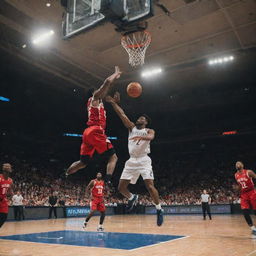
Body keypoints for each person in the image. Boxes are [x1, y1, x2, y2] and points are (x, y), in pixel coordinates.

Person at [106, 92, 164, 226]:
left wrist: (141, 137)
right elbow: (122, 115)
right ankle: (133, 197)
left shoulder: (149, 130)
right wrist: (114, 103)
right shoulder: (131, 128)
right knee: (121, 188)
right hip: (131, 161)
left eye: (142, 118)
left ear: (146, 122)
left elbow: (151, 138)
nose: (140, 119)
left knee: (150, 186)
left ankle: (159, 209)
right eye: (139, 118)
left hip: (144, 160)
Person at [65, 66, 121, 184]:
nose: (102, 93)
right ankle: (108, 180)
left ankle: (65, 173)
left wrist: (115, 101)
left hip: (88, 133)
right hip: (96, 130)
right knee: (113, 157)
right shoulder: (95, 98)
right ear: (94, 92)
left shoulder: (97, 103)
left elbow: (107, 93)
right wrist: (115, 74)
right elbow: (107, 83)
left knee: (83, 163)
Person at [234, 161, 256, 234]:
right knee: (245, 211)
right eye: (236, 164)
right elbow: (240, 185)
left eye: (239, 163)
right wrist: (237, 189)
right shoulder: (236, 175)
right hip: (243, 194)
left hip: (252, 192)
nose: (237, 164)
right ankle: (253, 228)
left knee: (255, 210)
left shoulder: (248, 172)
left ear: (242, 165)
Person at [0, 163, 13, 228]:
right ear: (4, 170)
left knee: (4, 216)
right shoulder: (0, 178)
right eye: (8, 168)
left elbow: (10, 191)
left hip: (3, 201)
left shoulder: (10, 180)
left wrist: (11, 194)